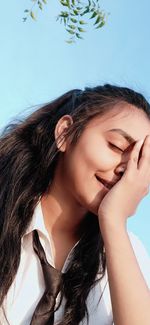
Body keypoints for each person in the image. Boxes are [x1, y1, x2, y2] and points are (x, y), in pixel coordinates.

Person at [0, 84, 150, 325]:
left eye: (138, 162)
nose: (125, 169)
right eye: (117, 146)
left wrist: (113, 221)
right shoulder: (5, 207)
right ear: (65, 133)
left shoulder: (127, 253)